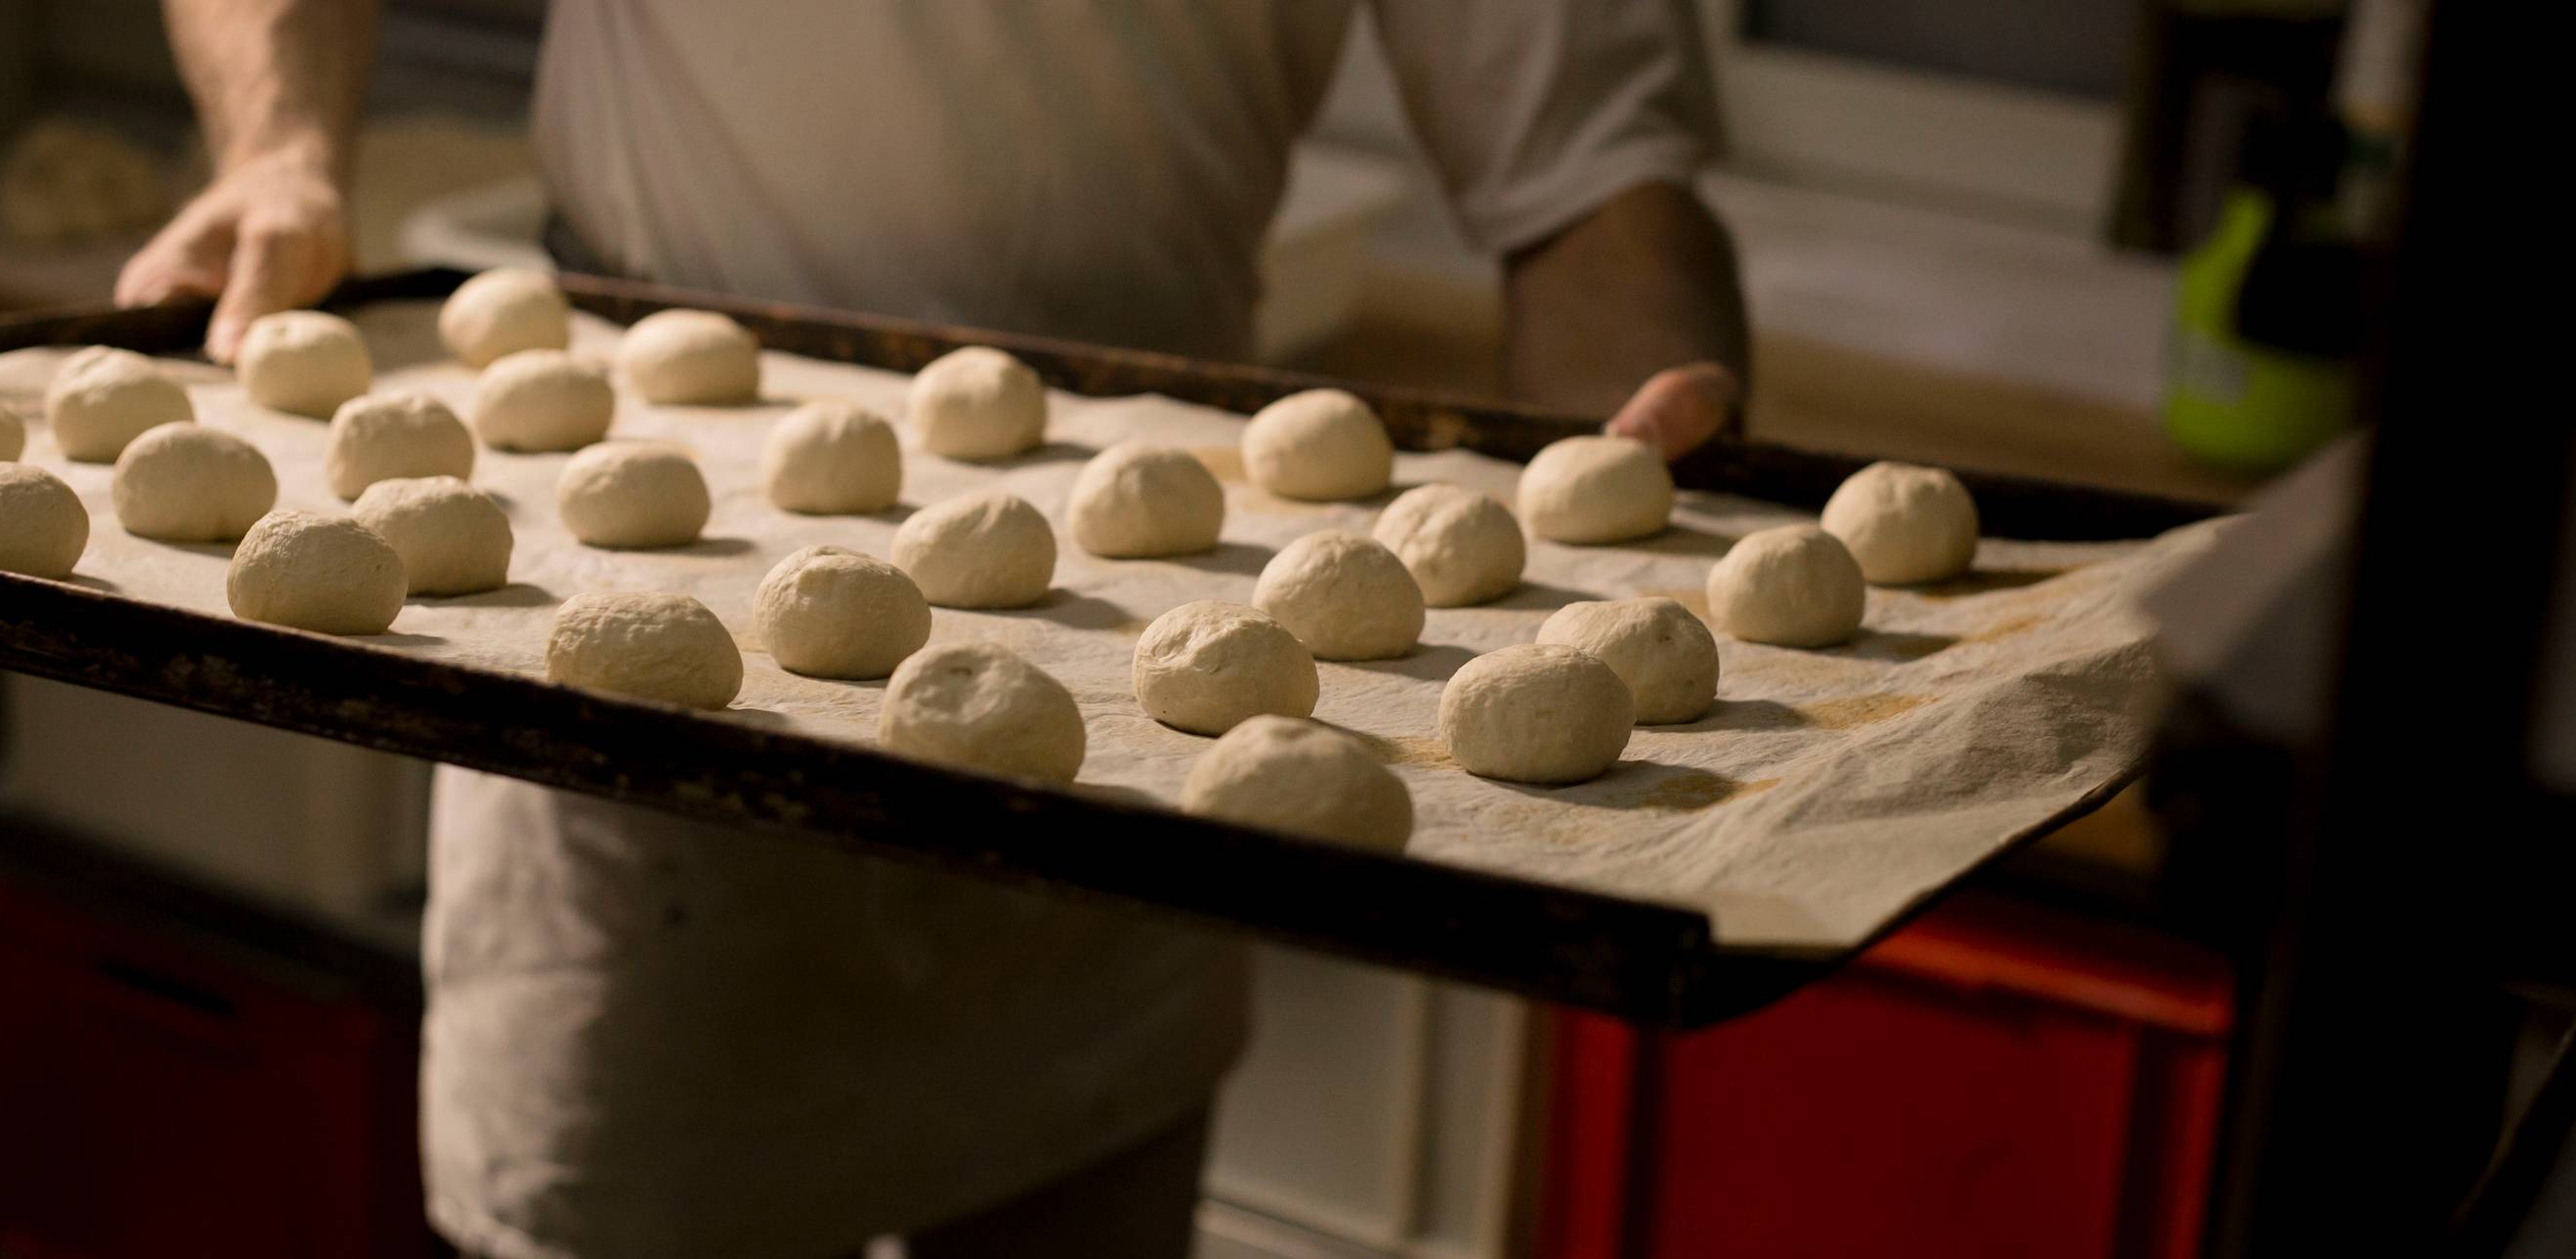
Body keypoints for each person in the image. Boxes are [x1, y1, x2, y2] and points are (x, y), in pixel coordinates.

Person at [118, 4, 1750, 1257]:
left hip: (1141, 686)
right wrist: (276, 150)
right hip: (651, 676)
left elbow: (1590, 169)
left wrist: (1637, 480)